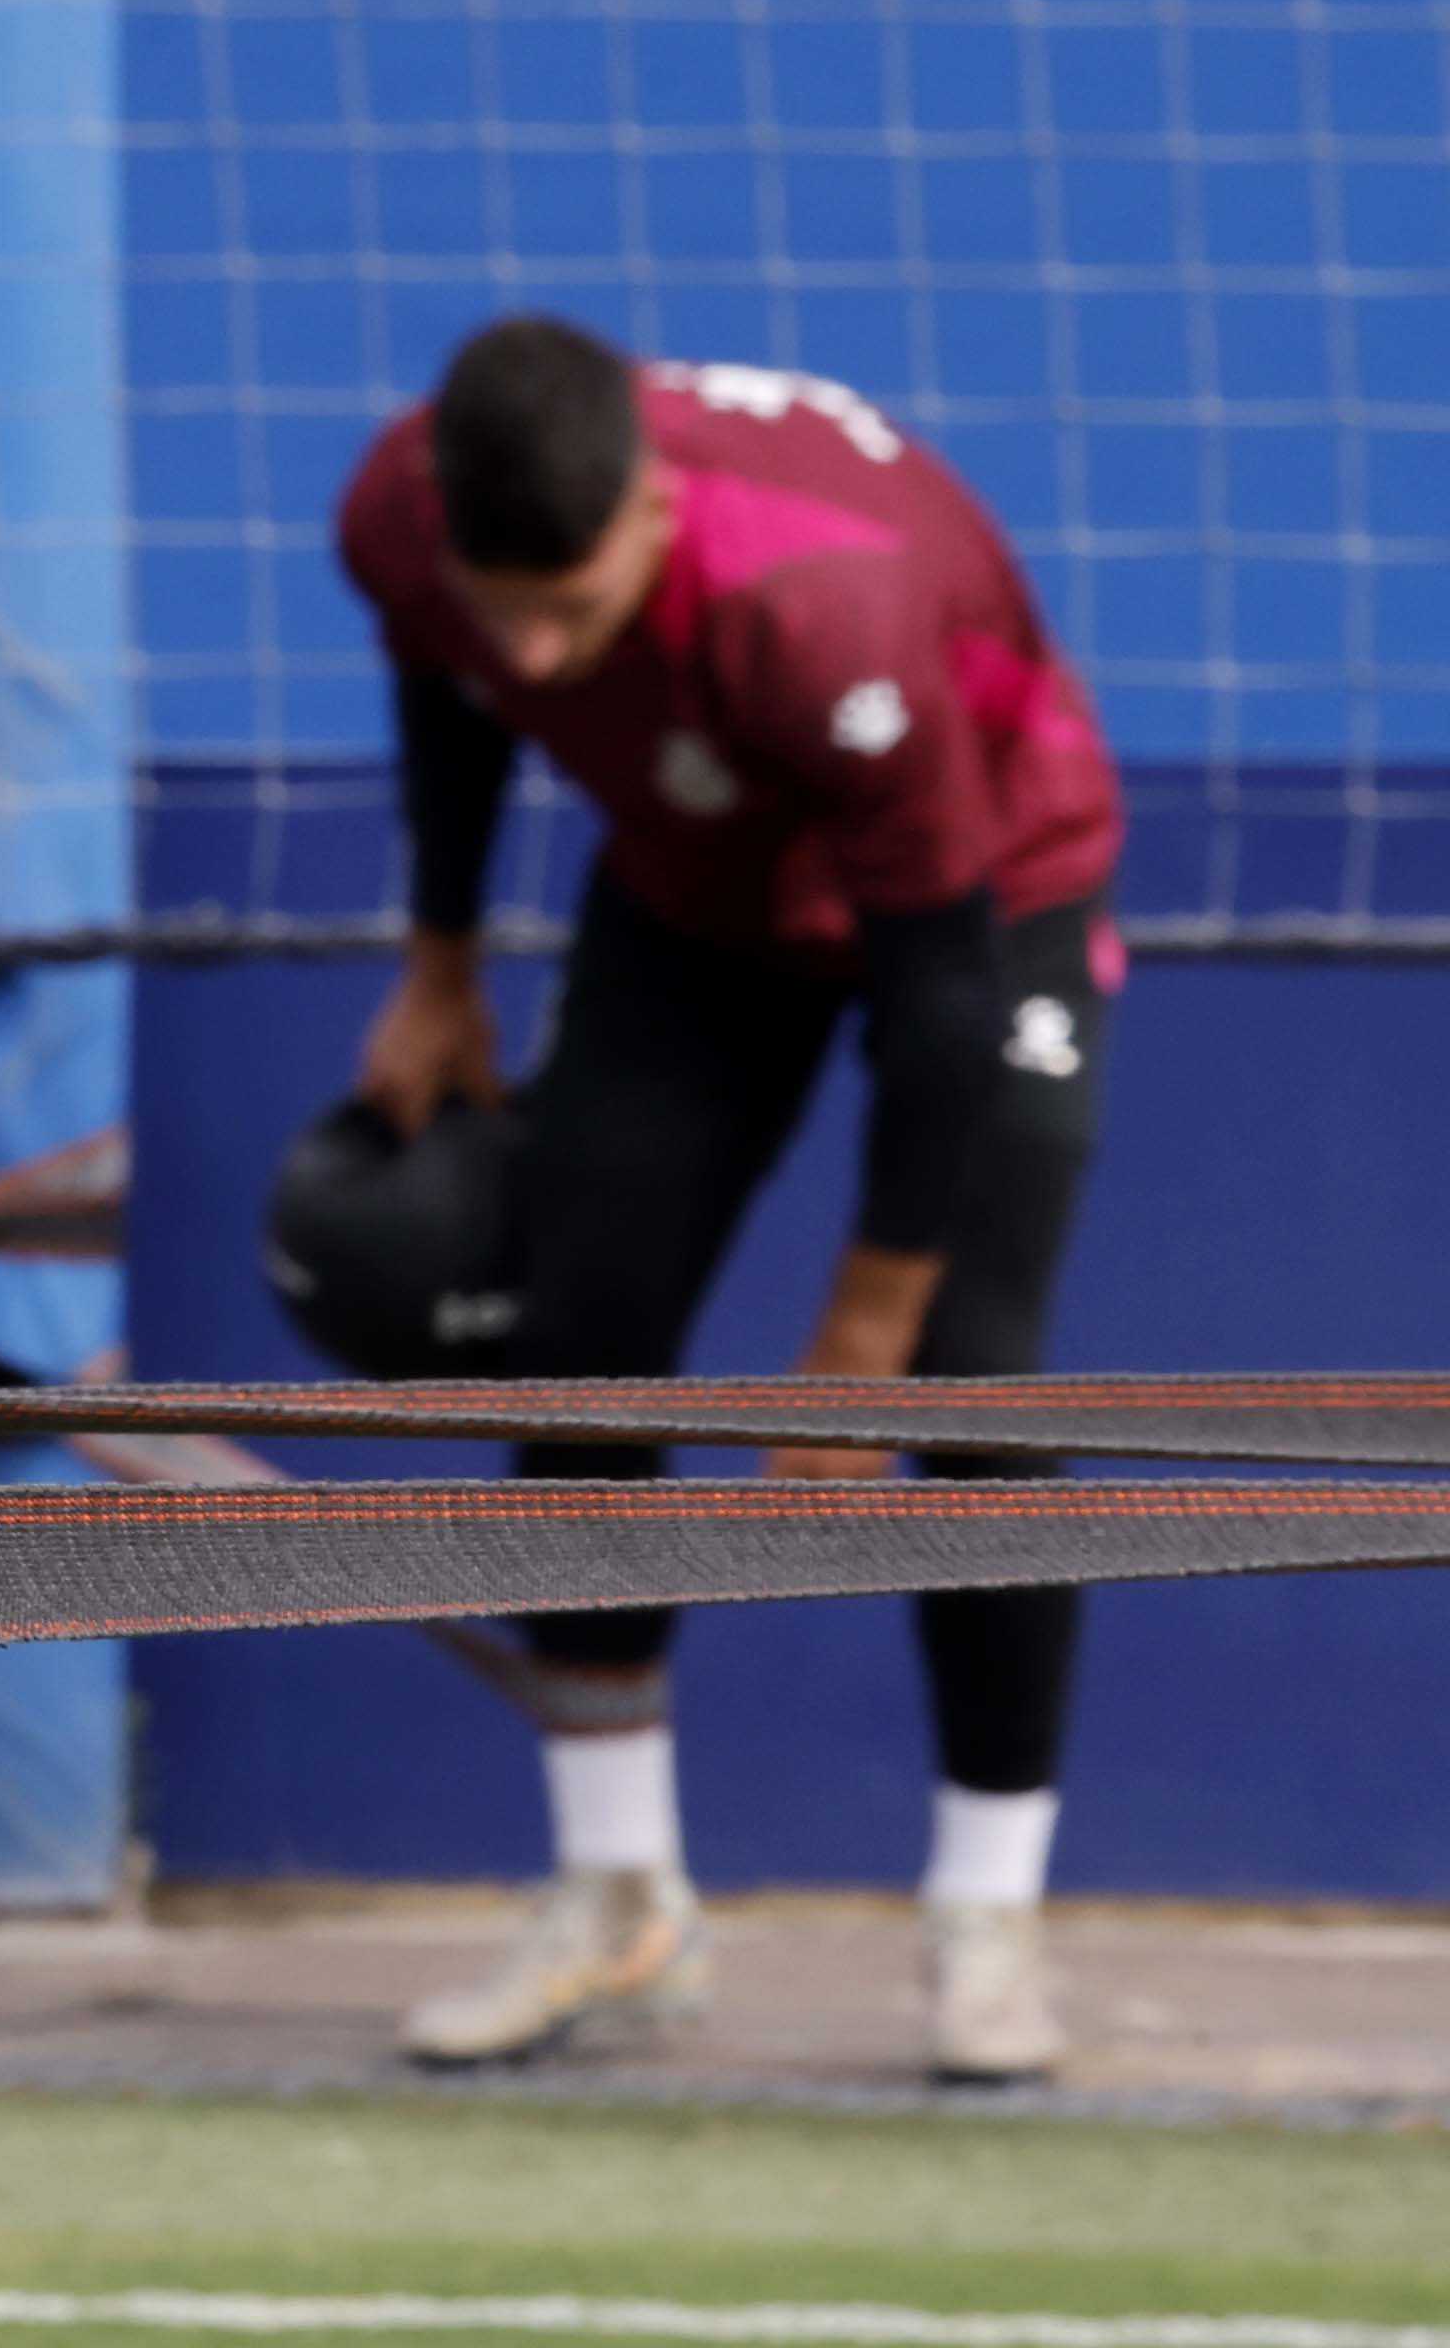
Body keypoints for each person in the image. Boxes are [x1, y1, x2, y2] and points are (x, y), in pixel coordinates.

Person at [334, 315, 1120, 2086]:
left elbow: (940, 998)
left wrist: (861, 1334)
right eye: (500, 603)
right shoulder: (401, 514)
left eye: (569, 607)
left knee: (975, 1385)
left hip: (988, 895)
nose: (535, 649)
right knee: (576, 1347)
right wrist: (440, 965)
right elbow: (453, 691)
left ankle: (987, 1920)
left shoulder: (823, 604)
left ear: (654, 510)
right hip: (701, 886)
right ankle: (620, 1900)